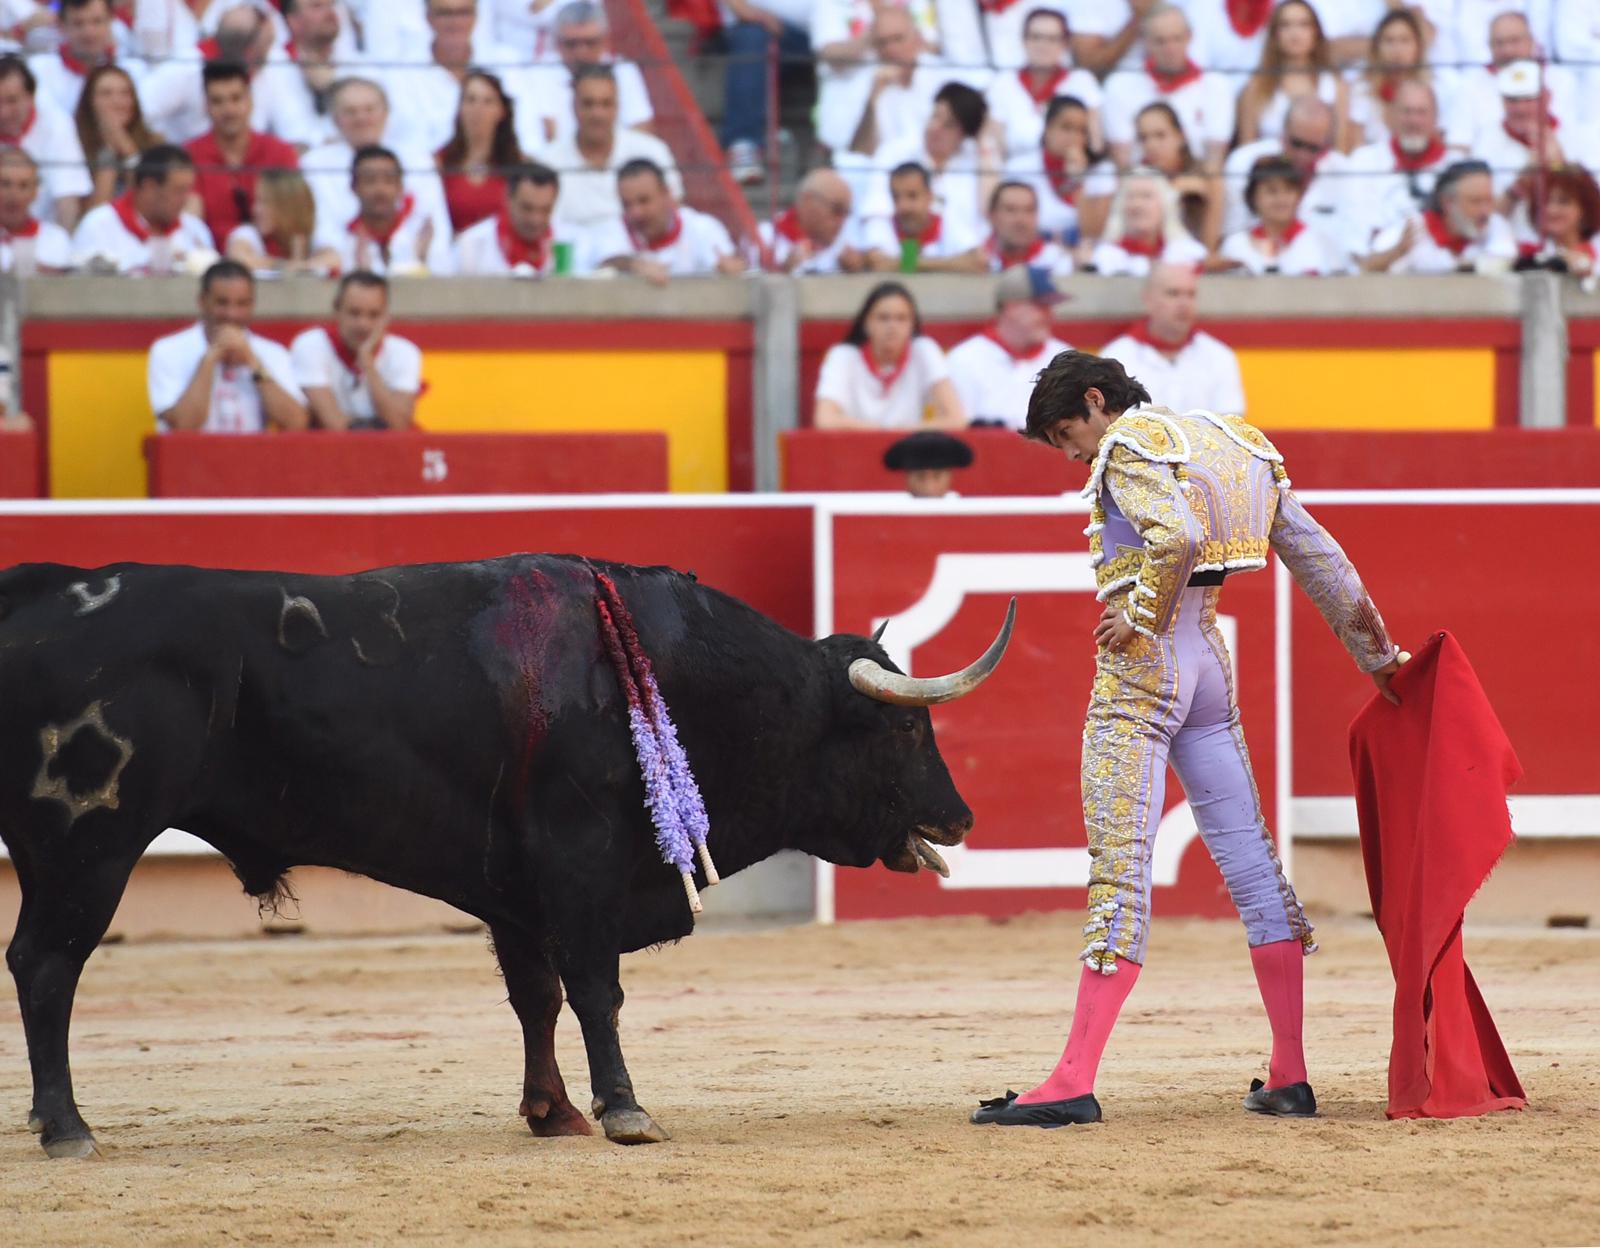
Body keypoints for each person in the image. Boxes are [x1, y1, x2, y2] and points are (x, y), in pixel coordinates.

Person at [968, 353, 1404, 1128]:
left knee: (1119, 866)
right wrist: (1383, 661)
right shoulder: (1236, 443)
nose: (1073, 455)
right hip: (1209, 668)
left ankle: (1073, 1078)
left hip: (1142, 673)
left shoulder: (1128, 444)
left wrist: (1136, 614)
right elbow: (1322, 561)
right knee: (1251, 863)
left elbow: (1178, 533)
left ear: (1096, 402)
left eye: (1069, 434)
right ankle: (1289, 1072)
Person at [148, 258, 307, 434]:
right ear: (202, 301)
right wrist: (209, 361)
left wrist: (254, 363)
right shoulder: (168, 351)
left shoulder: (273, 353)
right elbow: (183, 425)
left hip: (253, 459)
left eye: (242, 304)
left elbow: (296, 421)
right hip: (191, 460)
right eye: (222, 303)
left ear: (252, 305)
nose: (232, 314)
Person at [301, 77, 451, 249]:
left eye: (369, 109)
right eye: (350, 111)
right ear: (335, 119)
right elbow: (321, 229)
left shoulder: (418, 160)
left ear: (386, 113)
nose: (361, 118)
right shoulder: (314, 164)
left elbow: (434, 223)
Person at [540, 64, 679, 231]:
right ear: (573, 106)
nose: (597, 114)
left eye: (606, 104)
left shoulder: (652, 152)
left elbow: (674, 212)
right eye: (588, 104)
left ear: (617, 106)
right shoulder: (548, 162)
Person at [866, 80, 1000, 248]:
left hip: (962, 265)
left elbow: (989, 214)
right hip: (902, 258)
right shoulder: (894, 153)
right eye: (935, 116)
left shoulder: (975, 161)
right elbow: (876, 213)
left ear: (964, 134)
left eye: (949, 125)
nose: (935, 127)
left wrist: (982, 139)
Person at [813, 280, 964, 430]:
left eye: (901, 318)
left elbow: (956, 419)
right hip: (854, 448)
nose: (892, 326)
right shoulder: (843, 356)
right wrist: (883, 432)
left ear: (912, 325)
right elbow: (825, 419)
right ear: (866, 323)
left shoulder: (924, 349)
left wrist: (902, 433)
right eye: (883, 318)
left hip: (908, 450)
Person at [1102, 5, 1233, 174]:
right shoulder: (1119, 85)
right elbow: (1123, 160)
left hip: (1195, 185)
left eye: (1177, 39)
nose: (1170, 49)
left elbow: (1215, 158)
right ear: (1145, 42)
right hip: (1141, 185)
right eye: (1160, 41)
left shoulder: (1216, 85)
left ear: (1190, 37)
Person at [509, 1, 654, 154]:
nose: (581, 52)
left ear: (605, 41)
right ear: (558, 43)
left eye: (590, 43)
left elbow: (641, 128)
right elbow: (528, 138)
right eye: (571, 44)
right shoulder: (535, 74)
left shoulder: (623, 71)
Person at [1100, 263, 1246, 414]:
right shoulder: (1116, 358)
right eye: (1173, 293)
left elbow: (1230, 426)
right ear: (1148, 300)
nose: (1184, 304)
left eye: (1191, 294)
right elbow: (1110, 424)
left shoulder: (1220, 356)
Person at [183, 60, 300, 248]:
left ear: (250, 101)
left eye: (236, 98)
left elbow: (295, 221)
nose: (228, 110)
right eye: (217, 101)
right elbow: (190, 224)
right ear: (206, 106)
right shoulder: (188, 156)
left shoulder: (281, 153)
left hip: (275, 264)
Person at [944, 264, 1072, 430]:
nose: (1050, 315)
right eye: (1041, 306)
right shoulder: (963, 360)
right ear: (1011, 307)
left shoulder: (1066, 358)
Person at [290, 271, 422, 431]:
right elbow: (332, 424)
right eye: (354, 313)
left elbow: (398, 425)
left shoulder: (405, 352)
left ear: (386, 316)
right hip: (327, 452)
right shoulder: (311, 345)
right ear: (336, 310)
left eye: (373, 315)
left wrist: (367, 364)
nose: (363, 324)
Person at [1341, 79, 1458, 255]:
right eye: (1406, 112)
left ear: (1435, 118)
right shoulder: (1364, 161)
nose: (1413, 120)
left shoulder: (1455, 166)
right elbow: (1357, 231)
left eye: (1421, 112)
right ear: (1391, 116)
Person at [587, 157, 744, 284]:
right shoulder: (612, 229)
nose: (636, 212)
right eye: (627, 204)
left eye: (644, 201)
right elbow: (607, 262)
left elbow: (731, 265)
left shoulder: (702, 227)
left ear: (666, 194)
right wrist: (633, 265)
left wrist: (730, 269)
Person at [71, 142, 214, 273]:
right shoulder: (98, 225)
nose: (185, 199)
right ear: (149, 187)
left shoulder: (194, 229)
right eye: (178, 191)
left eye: (187, 190)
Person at [1221, 96, 1348, 241]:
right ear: (1283, 132)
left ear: (1328, 144)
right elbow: (1233, 233)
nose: (1302, 155)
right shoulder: (1243, 162)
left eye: (1313, 148)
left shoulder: (1345, 172)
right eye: (1296, 143)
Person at [1361, 159, 1517, 274]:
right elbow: (1366, 269)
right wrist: (1398, 251)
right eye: (1475, 202)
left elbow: (1502, 262)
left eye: (1489, 200)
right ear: (1447, 202)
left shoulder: (1496, 225)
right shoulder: (1412, 228)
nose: (1485, 211)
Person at [984, 9, 1101, 160]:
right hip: (1016, 174)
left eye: (1052, 39)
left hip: (1069, 170)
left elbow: (1095, 142)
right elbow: (993, 146)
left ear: (1065, 44)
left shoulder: (1082, 81)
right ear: (1024, 40)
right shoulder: (1003, 83)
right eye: (1036, 37)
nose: (1042, 45)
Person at [1234, 0, 1349, 152]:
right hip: (1271, 172)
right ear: (1275, 34)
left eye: (1304, 25)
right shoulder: (1255, 88)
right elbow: (1246, 153)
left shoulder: (1335, 86)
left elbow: (1341, 149)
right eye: (1285, 25)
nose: (1295, 33)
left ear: (1316, 32)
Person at [252, 0, 366, 150]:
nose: (330, 13)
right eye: (317, 6)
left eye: (332, 5)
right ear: (293, 21)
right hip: (293, 166)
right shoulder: (271, 68)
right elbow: (255, 128)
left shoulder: (362, 67)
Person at [1003, 94, 1115, 245]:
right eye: (1066, 128)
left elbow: (1092, 233)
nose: (1074, 137)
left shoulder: (1101, 171)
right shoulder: (1018, 168)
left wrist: (1077, 180)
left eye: (1082, 131)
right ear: (1048, 128)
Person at [716, 0, 808, 184]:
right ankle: (743, 144)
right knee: (751, 35)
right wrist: (745, 10)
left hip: (827, 23)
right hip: (758, 25)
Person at [1217, 154, 1351, 275]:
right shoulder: (1235, 246)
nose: (1281, 199)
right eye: (1271, 191)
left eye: (1288, 191)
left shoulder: (1321, 241)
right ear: (1253, 197)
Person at [334, 143, 455, 275]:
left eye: (388, 180)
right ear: (353, 187)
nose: (380, 189)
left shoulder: (424, 234)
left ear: (400, 186)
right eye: (370, 180)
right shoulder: (341, 240)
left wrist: (421, 261)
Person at [0, 54, 91, 228]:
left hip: (42, 235)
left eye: (11, 101)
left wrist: (57, 246)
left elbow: (67, 200)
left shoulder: (57, 124)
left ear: (30, 97)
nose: (2, 112)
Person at [454, 160, 585, 276]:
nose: (536, 219)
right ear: (507, 198)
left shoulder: (574, 243)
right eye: (527, 208)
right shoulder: (472, 246)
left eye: (545, 210)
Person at [435, 69, 524, 236]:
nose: (478, 109)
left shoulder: (520, 165)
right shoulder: (438, 162)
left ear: (501, 111)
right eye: (471, 100)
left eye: (487, 101)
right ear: (460, 108)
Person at [858, 161, 983, 273]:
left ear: (929, 196)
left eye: (912, 196)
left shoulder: (947, 222)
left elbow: (978, 262)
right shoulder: (882, 225)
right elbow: (877, 264)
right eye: (896, 197)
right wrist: (949, 264)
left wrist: (906, 263)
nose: (903, 206)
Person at [1129, 101, 1221, 249]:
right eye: (1143, 138)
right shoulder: (1137, 178)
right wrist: (1170, 190)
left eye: (1160, 135)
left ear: (1181, 136)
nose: (1151, 145)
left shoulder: (1208, 174)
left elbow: (1210, 247)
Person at [1347, 9, 1444, 149]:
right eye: (1389, 41)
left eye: (1405, 41)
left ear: (1418, 46)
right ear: (1377, 47)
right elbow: (1355, 147)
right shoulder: (1362, 90)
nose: (1397, 50)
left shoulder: (1435, 88)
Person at [75, 64, 166, 211]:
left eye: (125, 93)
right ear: (90, 102)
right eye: (106, 94)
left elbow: (149, 204)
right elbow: (96, 213)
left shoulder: (156, 144)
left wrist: (128, 150)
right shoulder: (74, 146)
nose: (117, 102)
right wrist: (109, 150)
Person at [27, 0, 133, 120]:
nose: (89, 32)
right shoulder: (39, 70)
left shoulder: (132, 70)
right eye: (78, 23)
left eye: (97, 21)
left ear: (111, 22)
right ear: (61, 26)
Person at [1088, 170, 1207, 276]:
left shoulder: (1186, 253)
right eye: (1131, 197)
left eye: (1146, 196)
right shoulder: (1105, 257)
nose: (1137, 205)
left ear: (1165, 206)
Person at [224, 166, 339, 274]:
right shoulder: (248, 234)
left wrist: (300, 266)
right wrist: (287, 266)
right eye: (257, 201)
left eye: (264, 202)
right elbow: (239, 260)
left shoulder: (317, 232)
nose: (255, 210)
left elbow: (334, 260)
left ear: (287, 206)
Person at [759, 167, 867, 274]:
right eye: (836, 210)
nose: (842, 221)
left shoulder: (846, 245)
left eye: (846, 213)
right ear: (808, 201)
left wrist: (858, 270)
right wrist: (783, 270)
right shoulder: (764, 236)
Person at [1514, 164, 1600, 277]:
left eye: (1564, 201)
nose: (1552, 210)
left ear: (1584, 208)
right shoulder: (1528, 254)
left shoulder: (1596, 251)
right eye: (1545, 201)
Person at [0, 148, 71, 273]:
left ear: (35, 192)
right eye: (5, 184)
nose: (14, 195)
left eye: (23, 185)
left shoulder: (56, 239)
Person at [982, 180, 1071, 274]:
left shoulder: (1056, 260)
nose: (1021, 220)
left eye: (1029, 210)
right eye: (1011, 210)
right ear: (992, 216)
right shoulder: (973, 260)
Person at [882, 429, 973, 498]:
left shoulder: (968, 512)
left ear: (950, 476)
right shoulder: (890, 512)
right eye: (920, 477)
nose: (929, 488)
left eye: (937, 476)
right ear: (906, 477)